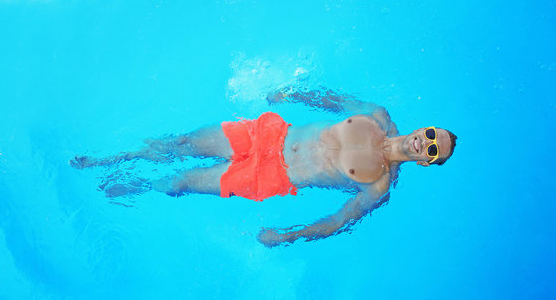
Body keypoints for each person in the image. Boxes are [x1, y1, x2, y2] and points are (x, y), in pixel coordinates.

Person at [70, 87, 457, 247]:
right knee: (183, 143)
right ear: (423, 128)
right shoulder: (376, 114)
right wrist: (292, 94)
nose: (426, 141)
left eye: (433, 148)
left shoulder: (379, 186)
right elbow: (335, 102)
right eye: (430, 133)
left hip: (270, 176)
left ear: (426, 161)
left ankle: (135, 186)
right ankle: (112, 159)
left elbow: (339, 221)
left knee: (182, 182)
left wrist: (288, 236)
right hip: (267, 136)